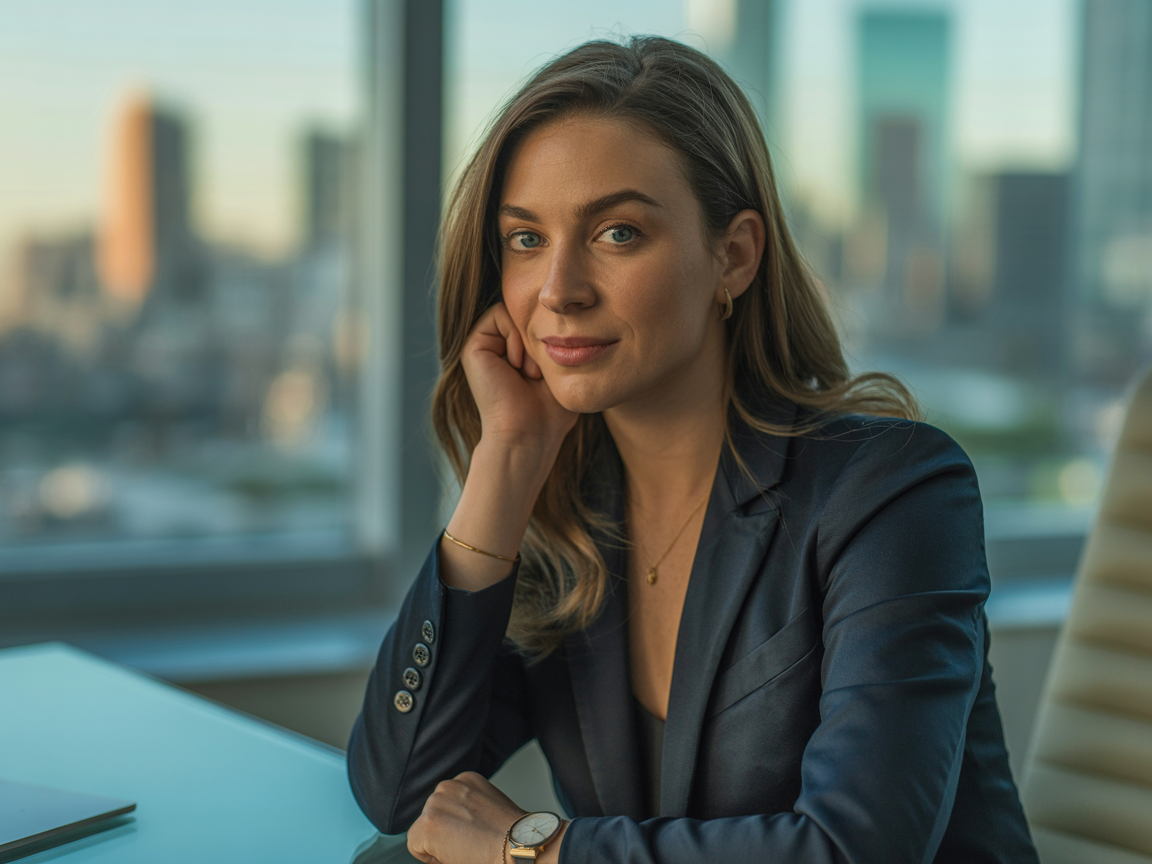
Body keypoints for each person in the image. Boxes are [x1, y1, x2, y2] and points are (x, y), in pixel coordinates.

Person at [346, 35, 1040, 864]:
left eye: (617, 234)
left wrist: (540, 847)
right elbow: (397, 793)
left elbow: (858, 849)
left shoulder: (893, 492)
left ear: (734, 256)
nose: (558, 289)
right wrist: (506, 462)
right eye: (526, 240)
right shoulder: (560, 516)